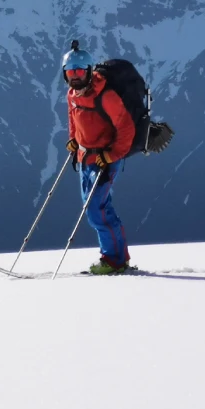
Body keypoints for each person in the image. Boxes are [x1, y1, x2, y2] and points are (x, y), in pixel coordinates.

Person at [63, 42, 135, 275]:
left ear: (88, 70)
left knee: (97, 208)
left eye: (79, 72)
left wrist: (111, 154)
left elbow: (126, 128)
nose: (75, 78)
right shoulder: (72, 94)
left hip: (105, 159)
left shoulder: (106, 96)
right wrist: (74, 140)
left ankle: (114, 261)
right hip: (85, 157)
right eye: (70, 72)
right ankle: (115, 257)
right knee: (93, 207)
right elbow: (74, 119)